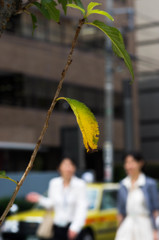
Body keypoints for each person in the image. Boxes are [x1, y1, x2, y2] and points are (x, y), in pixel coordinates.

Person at [26, 157, 88, 240]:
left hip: (73, 227)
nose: (68, 168)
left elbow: (82, 208)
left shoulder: (80, 185)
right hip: (57, 227)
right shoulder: (54, 183)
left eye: (71, 165)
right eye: (65, 165)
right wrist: (39, 198)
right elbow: (52, 203)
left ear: (74, 168)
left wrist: (75, 227)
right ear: (59, 168)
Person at [115, 151, 159, 240]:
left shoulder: (149, 184)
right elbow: (120, 211)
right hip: (127, 225)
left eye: (132, 162)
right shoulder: (123, 185)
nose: (129, 166)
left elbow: (155, 209)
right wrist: (119, 228)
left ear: (140, 163)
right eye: (126, 163)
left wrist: (155, 230)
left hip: (145, 225)